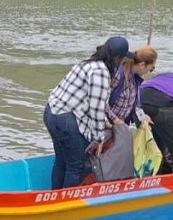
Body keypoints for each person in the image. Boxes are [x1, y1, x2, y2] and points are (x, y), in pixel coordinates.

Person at [45, 36, 131, 189]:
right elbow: (96, 108)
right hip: (65, 119)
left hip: (51, 112)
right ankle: (67, 201)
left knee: (62, 160)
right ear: (118, 59)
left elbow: (94, 101)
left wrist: (107, 122)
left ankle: (54, 195)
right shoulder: (101, 72)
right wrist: (98, 139)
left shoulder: (87, 63)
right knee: (76, 166)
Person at [106, 45, 158, 126]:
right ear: (142, 65)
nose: (149, 71)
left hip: (120, 125)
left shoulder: (136, 79)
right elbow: (101, 103)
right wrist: (115, 120)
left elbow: (135, 105)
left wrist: (143, 116)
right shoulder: (118, 75)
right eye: (151, 68)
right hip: (107, 125)